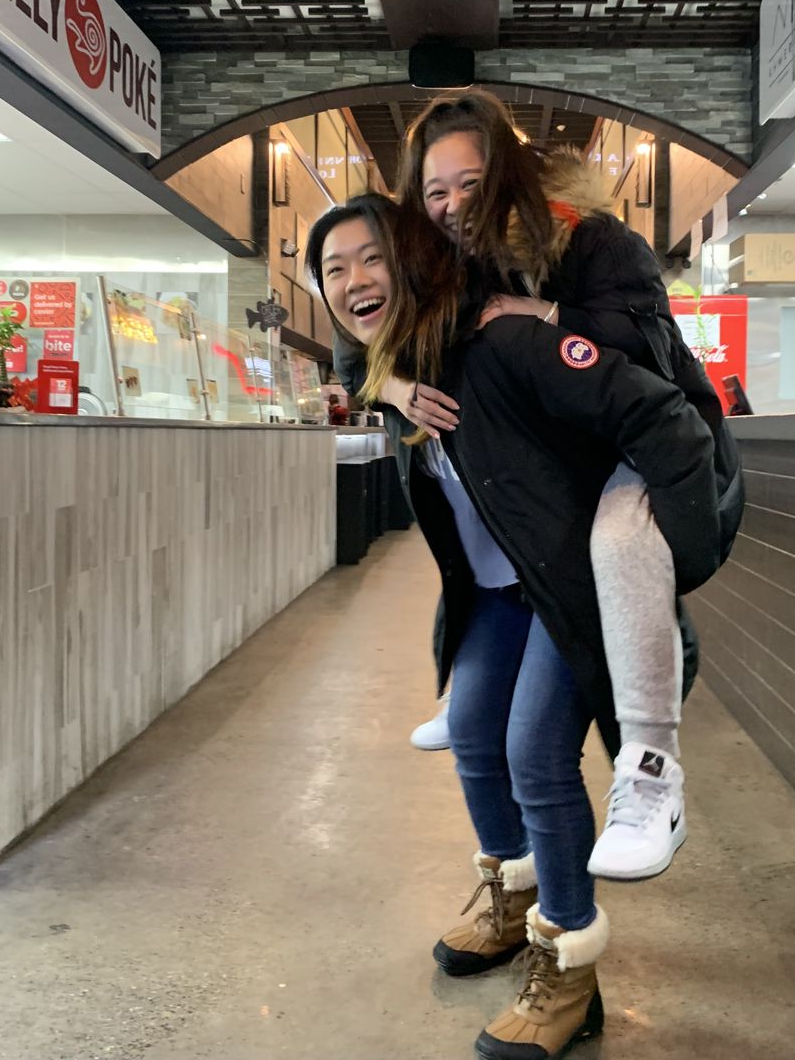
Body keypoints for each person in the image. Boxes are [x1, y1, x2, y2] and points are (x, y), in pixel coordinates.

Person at [308, 193, 720, 1059]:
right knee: (472, 739)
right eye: (333, 268)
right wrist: (386, 386)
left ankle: (568, 964)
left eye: (369, 259)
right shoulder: (397, 367)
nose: (352, 281)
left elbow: (653, 409)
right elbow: (350, 368)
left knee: (535, 752)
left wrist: (678, 545)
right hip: (499, 591)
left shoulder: (501, 338)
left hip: (562, 585)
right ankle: (510, 901)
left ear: (414, 258)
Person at [337, 91, 743, 882]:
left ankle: (651, 771)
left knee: (619, 547)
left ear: (510, 174)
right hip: (556, 485)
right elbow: (361, 341)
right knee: (497, 571)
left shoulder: (589, 240)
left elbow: (650, 352)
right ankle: (480, 717)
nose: (453, 203)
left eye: (471, 181)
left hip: (646, 447)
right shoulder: (453, 269)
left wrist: (546, 313)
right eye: (435, 190)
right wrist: (390, 390)